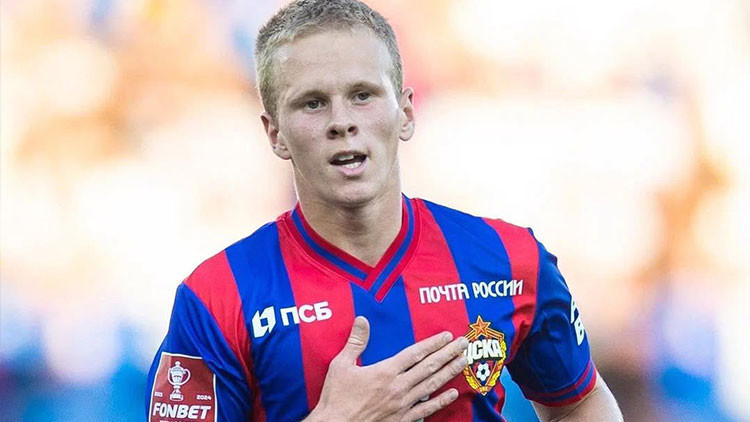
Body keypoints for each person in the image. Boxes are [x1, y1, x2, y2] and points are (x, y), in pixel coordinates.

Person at [145, 0, 623, 421]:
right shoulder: (216, 298)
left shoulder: (510, 260)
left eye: (362, 95)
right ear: (275, 134)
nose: (342, 122)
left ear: (406, 113)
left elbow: (578, 403)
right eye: (312, 103)